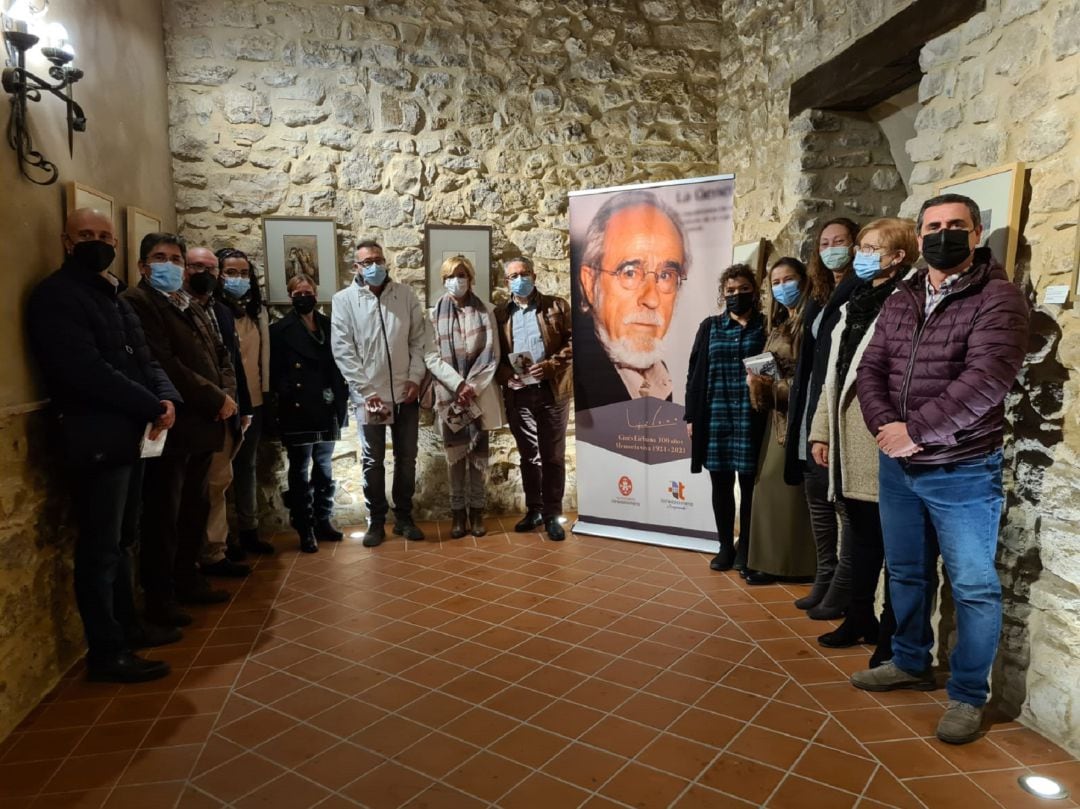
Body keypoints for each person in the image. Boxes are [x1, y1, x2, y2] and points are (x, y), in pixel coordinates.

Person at [851, 194, 1029, 745]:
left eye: (955, 226)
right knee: (905, 571)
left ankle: (969, 696)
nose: (942, 234)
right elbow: (873, 365)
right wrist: (886, 427)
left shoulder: (998, 299)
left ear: (976, 234)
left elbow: (985, 382)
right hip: (897, 462)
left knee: (973, 587)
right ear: (920, 235)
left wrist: (915, 432)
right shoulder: (904, 295)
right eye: (932, 226)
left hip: (962, 466)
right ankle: (909, 660)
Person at [27, 208, 181, 682]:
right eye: (86, 235)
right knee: (101, 547)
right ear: (67, 242)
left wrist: (166, 397)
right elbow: (86, 370)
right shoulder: (58, 296)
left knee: (124, 539)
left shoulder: (113, 296)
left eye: (104, 235)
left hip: (131, 433)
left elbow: (144, 357)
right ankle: (106, 649)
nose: (96, 241)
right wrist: (151, 405)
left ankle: (129, 627)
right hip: (97, 434)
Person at [808, 218, 918, 665]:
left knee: (896, 546)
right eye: (862, 246)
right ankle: (858, 618)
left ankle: (891, 633)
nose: (861, 254)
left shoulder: (906, 301)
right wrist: (819, 430)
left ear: (898, 257)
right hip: (843, 432)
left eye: (874, 247)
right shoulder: (855, 300)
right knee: (860, 535)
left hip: (878, 434)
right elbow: (834, 372)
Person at [123, 233, 238, 626]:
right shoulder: (138, 303)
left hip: (203, 424)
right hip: (176, 425)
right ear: (143, 265)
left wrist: (225, 396)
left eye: (176, 258)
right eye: (161, 258)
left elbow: (215, 353)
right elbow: (166, 362)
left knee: (193, 508)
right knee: (163, 516)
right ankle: (161, 597)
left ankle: (188, 579)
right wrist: (214, 398)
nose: (170, 265)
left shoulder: (187, 303)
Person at [331, 239, 474, 547]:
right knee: (372, 460)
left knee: (407, 458)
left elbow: (418, 340)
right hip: (369, 397)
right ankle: (376, 521)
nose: (374, 266)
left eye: (379, 260)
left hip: (404, 394)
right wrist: (366, 390)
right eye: (367, 262)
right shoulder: (343, 301)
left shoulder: (405, 295)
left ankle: (404, 517)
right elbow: (343, 350)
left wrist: (414, 379)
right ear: (356, 267)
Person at [784, 218, 861, 618]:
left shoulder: (862, 288)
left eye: (841, 241)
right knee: (816, 496)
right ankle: (825, 575)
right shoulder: (819, 292)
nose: (832, 248)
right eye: (825, 242)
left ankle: (844, 587)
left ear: (857, 244)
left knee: (844, 503)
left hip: (840, 409)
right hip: (812, 402)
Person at [743, 257, 827, 584]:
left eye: (788, 279)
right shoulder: (780, 323)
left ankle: (790, 563)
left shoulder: (808, 323)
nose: (782, 287)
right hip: (774, 418)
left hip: (795, 415)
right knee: (766, 488)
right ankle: (768, 559)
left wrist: (769, 386)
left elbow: (808, 377)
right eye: (775, 282)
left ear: (803, 280)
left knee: (785, 491)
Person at [684, 264, 767, 571]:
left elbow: (772, 373)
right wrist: (691, 417)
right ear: (723, 294)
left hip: (751, 417)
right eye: (730, 290)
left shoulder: (765, 327)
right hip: (715, 416)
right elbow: (694, 374)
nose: (736, 295)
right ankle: (724, 546)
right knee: (720, 485)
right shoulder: (710, 327)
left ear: (755, 292)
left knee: (749, 487)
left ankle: (745, 546)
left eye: (743, 289)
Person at [574, 189, 687, 410]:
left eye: (666, 276)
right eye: (630, 273)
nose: (652, 299)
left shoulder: (662, 376)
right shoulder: (583, 378)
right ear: (589, 283)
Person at [182, 246, 253, 581]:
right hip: (196, 411)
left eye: (210, 268)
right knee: (202, 487)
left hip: (227, 408)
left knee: (219, 482)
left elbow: (231, 362)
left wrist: (242, 406)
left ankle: (216, 550)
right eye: (198, 266)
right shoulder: (179, 308)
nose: (205, 274)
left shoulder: (221, 311)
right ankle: (200, 557)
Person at [494, 257, 574, 541]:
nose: (519, 279)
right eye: (513, 276)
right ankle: (534, 511)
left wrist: (550, 365)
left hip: (552, 392)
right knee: (529, 456)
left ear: (534, 275)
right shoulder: (500, 314)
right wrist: (507, 377)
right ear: (506, 282)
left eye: (524, 273)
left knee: (552, 456)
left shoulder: (557, 306)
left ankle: (553, 514)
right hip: (519, 394)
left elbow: (573, 341)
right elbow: (495, 358)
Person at [270, 274, 348, 553]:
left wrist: (340, 399)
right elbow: (274, 371)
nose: (304, 296)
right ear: (291, 296)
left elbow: (338, 363)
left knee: (325, 465)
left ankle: (323, 520)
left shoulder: (329, 325)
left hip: (326, 405)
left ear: (316, 293)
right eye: (298, 292)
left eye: (308, 291)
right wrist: (288, 390)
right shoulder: (279, 330)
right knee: (300, 467)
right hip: (297, 408)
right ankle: (304, 527)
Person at [431, 255, 503, 539]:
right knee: (456, 459)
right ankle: (458, 514)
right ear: (443, 280)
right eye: (451, 275)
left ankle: (477, 513)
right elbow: (431, 356)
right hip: (451, 396)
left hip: (479, 394)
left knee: (477, 458)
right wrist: (458, 385)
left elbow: (493, 354)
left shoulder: (487, 310)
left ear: (471, 278)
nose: (456, 280)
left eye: (461, 274)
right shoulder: (433, 313)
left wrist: (473, 386)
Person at [216, 248, 274, 558]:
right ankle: (221, 541)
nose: (238, 279)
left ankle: (249, 530)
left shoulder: (257, 311)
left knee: (247, 467)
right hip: (225, 402)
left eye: (243, 273)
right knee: (219, 473)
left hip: (255, 400)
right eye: (231, 272)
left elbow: (262, 357)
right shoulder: (213, 310)